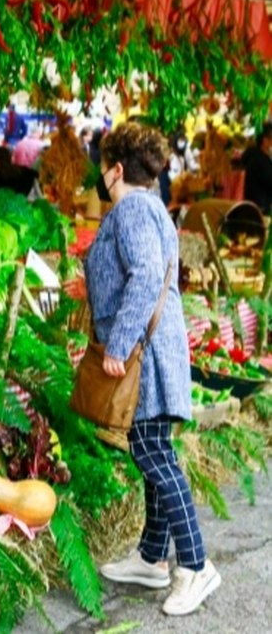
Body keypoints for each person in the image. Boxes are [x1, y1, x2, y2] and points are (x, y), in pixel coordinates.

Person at [68, 122, 220, 617]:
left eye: (102, 169)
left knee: (154, 455)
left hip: (144, 355)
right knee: (153, 449)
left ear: (115, 171)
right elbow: (142, 270)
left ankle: (195, 566)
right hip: (158, 348)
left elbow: (148, 273)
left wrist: (119, 341)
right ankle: (153, 556)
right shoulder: (152, 207)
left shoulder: (131, 208)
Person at [240, 123, 272, 213]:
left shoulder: (256, 156)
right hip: (259, 206)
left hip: (254, 205)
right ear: (265, 141)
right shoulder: (260, 160)